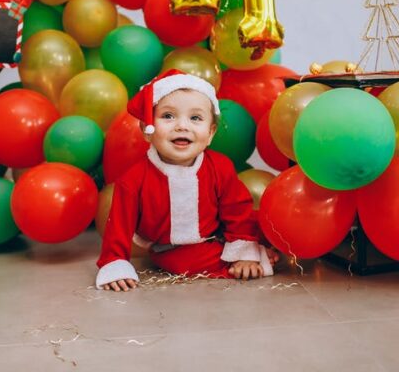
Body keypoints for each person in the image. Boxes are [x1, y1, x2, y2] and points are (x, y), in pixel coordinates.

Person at [96, 70, 278, 291]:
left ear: (210, 133)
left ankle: (253, 252)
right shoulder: (134, 180)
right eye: (168, 116)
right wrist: (115, 262)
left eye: (195, 118)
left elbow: (236, 210)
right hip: (172, 249)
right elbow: (118, 227)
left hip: (217, 233)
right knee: (184, 263)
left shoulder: (219, 167)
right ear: (147, 129)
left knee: (266, 223)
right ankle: (247, 260)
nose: (182, 126)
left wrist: (244, 248)